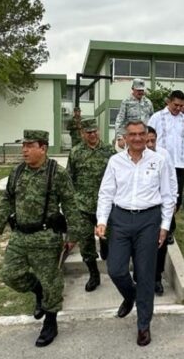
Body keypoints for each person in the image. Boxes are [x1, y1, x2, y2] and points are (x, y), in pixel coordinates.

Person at [0, 129, 81, 347]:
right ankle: (37, 290)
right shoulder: (18, 171)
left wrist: (73, 234)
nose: (24, 150)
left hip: (46, 238)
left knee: (52, 283)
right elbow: (7, 199)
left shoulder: (57, 173)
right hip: (20, 236)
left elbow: (70, 205)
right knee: (10, 275)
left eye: (29, 146)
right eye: (23, 146)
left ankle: (50, 322)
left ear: (43, 148)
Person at [96, 120, 177, 347]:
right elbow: (106, 193)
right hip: (120, 219)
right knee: (116, 269)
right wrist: (102, 220)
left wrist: (164, 226)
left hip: (148, 221)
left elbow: (168, 195)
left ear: (147, 136)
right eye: (133, 134)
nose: (138, 138)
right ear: (125, 137)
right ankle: (130, 295)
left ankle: (143, 324)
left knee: (145, 274)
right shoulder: (115, 161)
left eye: (142, 134)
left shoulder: (159, 160)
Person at [147, 90, 184, 286]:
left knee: (176, 200)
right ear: (169, 102)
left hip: (180, 164)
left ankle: (168, 227)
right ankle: (166, 229)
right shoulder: (157, 117)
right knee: (161, 197)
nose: (178, 108)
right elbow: (149, 138)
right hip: (159, 164)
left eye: (181, 105)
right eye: (176, 105)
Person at [67, 119, 115, 292]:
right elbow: (69, 179)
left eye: (95, 131)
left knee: (108, 240)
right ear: (82, 134)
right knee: (86, 243)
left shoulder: (109, 151)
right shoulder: (76, 152)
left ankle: (104, 246)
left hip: (106, 205)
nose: (93, 134)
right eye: (89, 132)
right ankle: (94, 274)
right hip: (83, 206)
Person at [144, 125, 178, 296]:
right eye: (147, 140)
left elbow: (172, 179)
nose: (150, 144)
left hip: (161, 207)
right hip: (144, 209)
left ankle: (157, 277)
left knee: (160, 245)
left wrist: (173, 201)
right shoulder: (135, 156)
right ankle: (141, 275)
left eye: (153, 140)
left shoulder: (164, 154)